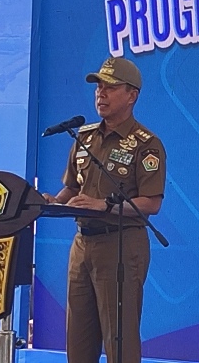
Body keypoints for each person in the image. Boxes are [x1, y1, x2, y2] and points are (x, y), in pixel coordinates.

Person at [43, 56, 166, 363]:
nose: (101, 93)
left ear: (131, 95)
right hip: (82, 245)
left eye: (110, 87)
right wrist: (53, 203)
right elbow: (73, 189)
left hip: (121, 245)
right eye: (98, 87)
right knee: (78, 340)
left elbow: (151, 203)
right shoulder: (84, 137)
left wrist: (104, 206)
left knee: (119, 340)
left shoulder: (146, 145)